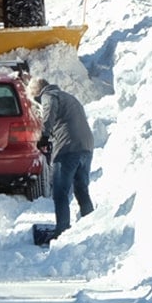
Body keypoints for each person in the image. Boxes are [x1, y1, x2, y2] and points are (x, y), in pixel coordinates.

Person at [27, 76, 94, 237]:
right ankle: (92, 226)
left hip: (68, 148)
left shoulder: (49, 96)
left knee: (60, 191)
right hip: (86, 147)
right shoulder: (69, 97)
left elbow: (49, 114)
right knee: (81, 189)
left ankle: (62, 230)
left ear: (37, 91)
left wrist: (43, 136)